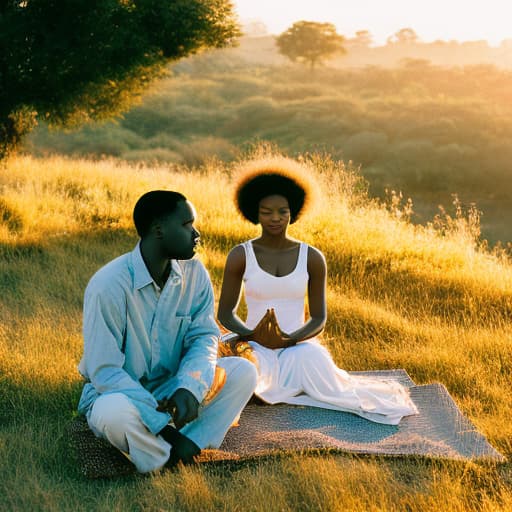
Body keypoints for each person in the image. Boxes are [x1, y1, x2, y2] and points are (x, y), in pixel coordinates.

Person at [217, 157, 418, 425]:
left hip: (298, 347)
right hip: (255, 345)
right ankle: (263, 386)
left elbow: (318, 318)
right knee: (244, 372)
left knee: (314, 362)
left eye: (282, 211)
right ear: (255, 212)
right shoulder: (240, 255)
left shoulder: (311, 257)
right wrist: (254, 335)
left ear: (293, 211)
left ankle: (283, 384)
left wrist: (289, 339)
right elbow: (226, 313)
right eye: (267, 212)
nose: (275, 219)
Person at [77, 190, 257, 473]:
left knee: (243, 373)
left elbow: (203, 336)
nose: (196, 233)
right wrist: (162, 425)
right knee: (113, 415)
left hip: (172, 387)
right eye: (187, 225)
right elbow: (105, 372)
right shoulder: (108, 286)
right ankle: (169, 453)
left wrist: (189, 385)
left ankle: (182, 446)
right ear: (158, 230)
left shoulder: (195, 274)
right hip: (121, 395)